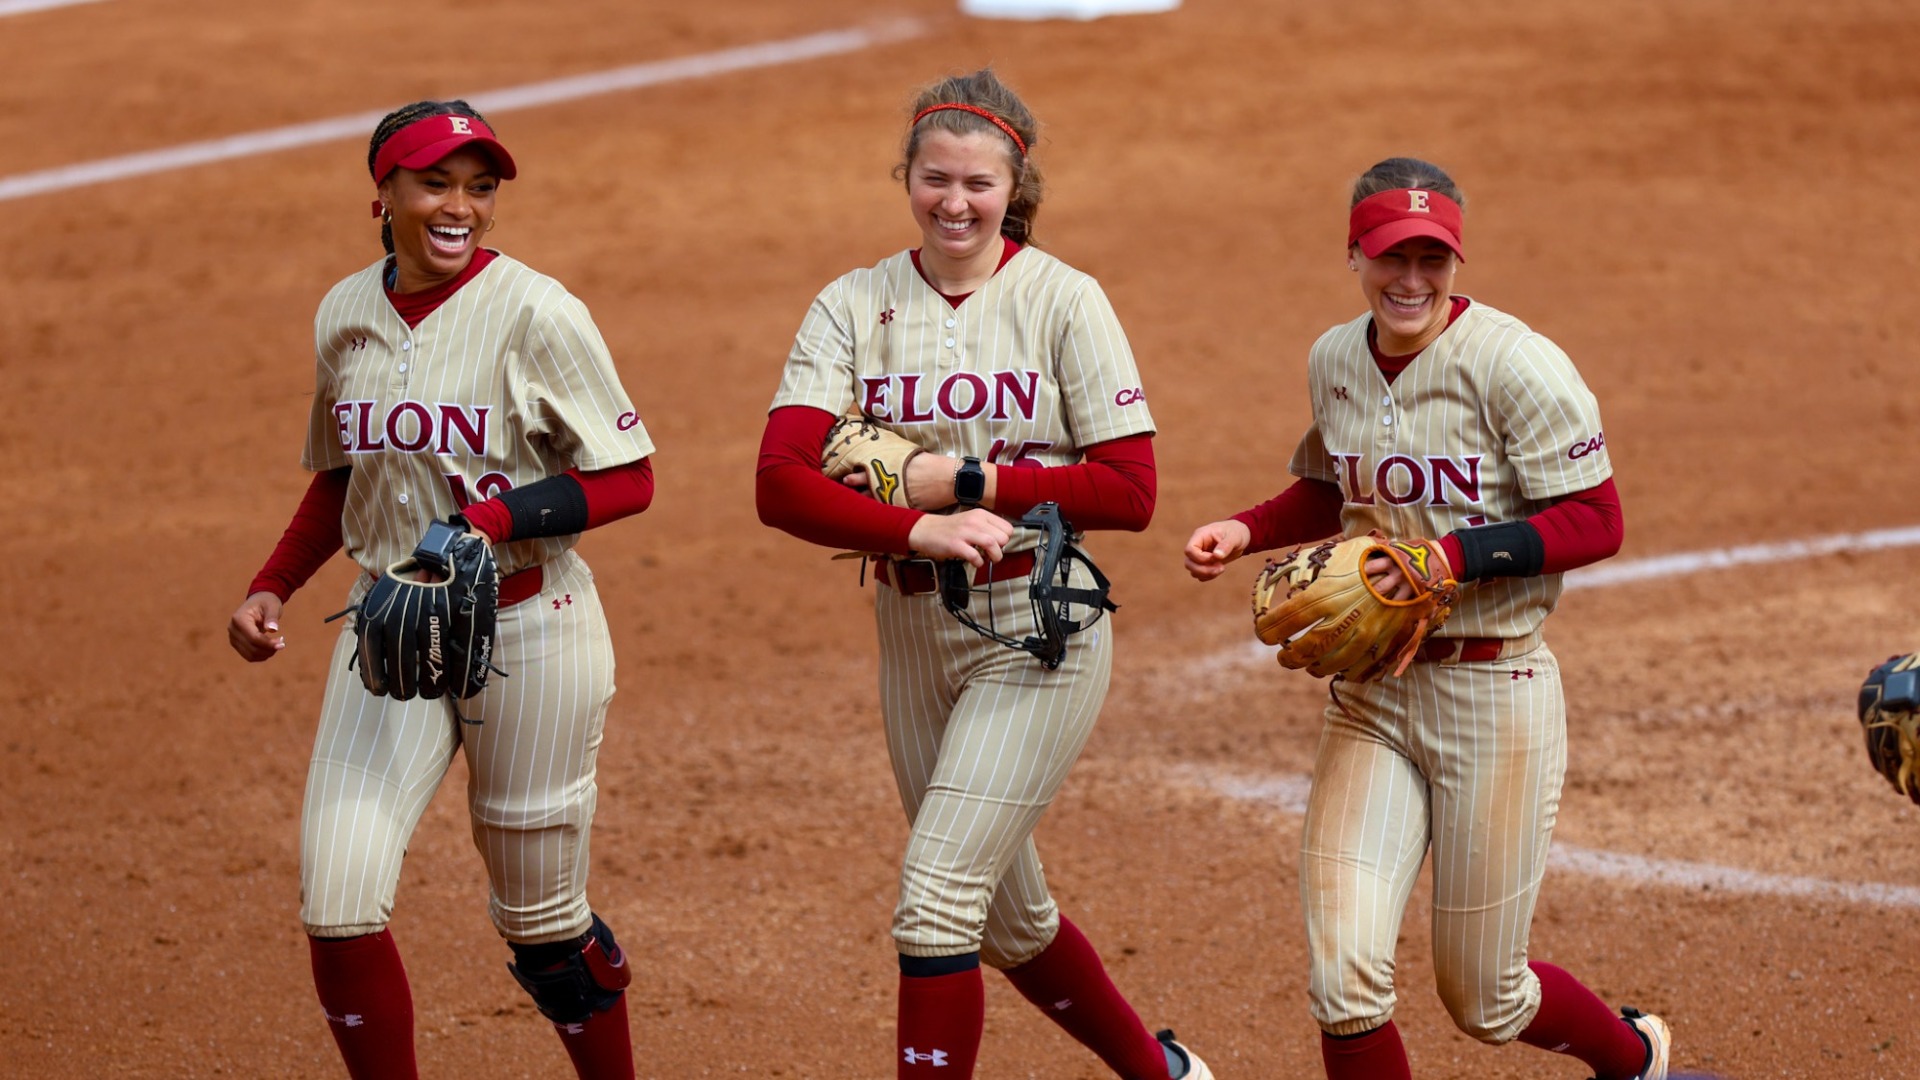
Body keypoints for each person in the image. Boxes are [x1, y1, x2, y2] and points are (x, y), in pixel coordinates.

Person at [755, 69, 1210, 1080]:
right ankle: (1165, 1074)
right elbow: (778, 483)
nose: (954, 203)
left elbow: (1130, 490)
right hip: (913, 634)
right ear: (906, 177)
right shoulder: (851, 305)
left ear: (1015, 188)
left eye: (978, 184)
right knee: (1009, 920)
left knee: (936, 902)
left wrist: (968, 482)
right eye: (935, 179)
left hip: (1038, 627)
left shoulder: (1064, 300)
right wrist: (917, 527)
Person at [1181, 157, 1669, 1080]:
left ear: (1455, 259)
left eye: (1431, 258)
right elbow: (1333, 489)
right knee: (1343, 982)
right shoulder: (1335, 359)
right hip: (1373, 697)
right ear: (1354, 255)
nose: (1411, 279)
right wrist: (1244, 529)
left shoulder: (1515, 364)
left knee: (1486, 999)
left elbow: (1596, 520)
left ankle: (1634, 1059)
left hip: (1496, 695)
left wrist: (1448, 559)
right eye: (1390, 257)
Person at [226, 100, 657, 1080]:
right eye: (435, 184)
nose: (460, 205)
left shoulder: (539, 312)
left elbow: (629, 479)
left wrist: (491, 520)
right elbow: (347, 476)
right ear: (383, 193)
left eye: (479, 186)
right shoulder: (346, 313)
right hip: (389, 625)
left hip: (532, 631)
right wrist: (272, 585)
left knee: (543, 927)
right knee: (338, 902)